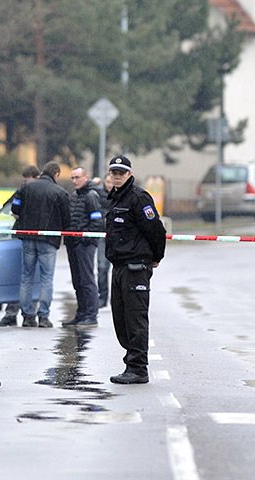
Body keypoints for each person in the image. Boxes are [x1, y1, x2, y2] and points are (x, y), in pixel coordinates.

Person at [104, 155, 166, 384]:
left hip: (135, 267)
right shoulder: (115, 198)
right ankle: (131, 362)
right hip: (119, 266)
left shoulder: (138, 198)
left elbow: (156, 230)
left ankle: (138, 368)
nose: (117, 176)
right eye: (114, 172)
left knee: (135, 318)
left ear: (129, 174)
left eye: (121, 172)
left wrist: (156, 257)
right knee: (120, 319)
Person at [11, 161, 70, 328]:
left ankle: (27, 316)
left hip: (28, 238)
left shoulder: (25, 188)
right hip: (49, 240)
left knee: (26, 277)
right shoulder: (60, 192)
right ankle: (43, 316)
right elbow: (67, 219)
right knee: (46, 279)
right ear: (56, 175)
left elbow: (15, 209)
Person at [0, 164, 40, 327]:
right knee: (19, 276)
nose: (26, 185)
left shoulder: (41, 192)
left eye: (28, 182)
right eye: (24, 182)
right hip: (18, 236)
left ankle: (30, 314)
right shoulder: (21, 190)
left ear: (37, 178)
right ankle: (11, 313)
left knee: (32, 277)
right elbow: (8, 208)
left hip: (36, 238)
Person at [62, 167, 103, 329]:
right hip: (73, 243)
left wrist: (85, 238)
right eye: (72, 178)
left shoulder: (91, 196)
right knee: (77, 281)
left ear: (86, 177)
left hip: (84, 244)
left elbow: (97, 222)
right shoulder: (76, 195)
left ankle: (91, 315)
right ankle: (81, 314)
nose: (74, 181)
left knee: (87, 280)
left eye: (77, 177)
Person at [93, 174, 113, 308]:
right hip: (102, 235)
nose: (110, 184)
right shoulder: (98, 194)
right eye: (107, 182)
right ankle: (102, 297)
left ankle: (117, 298)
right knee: (102, 267)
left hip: (118, 237)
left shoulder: (122, 195)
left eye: (112, 182)